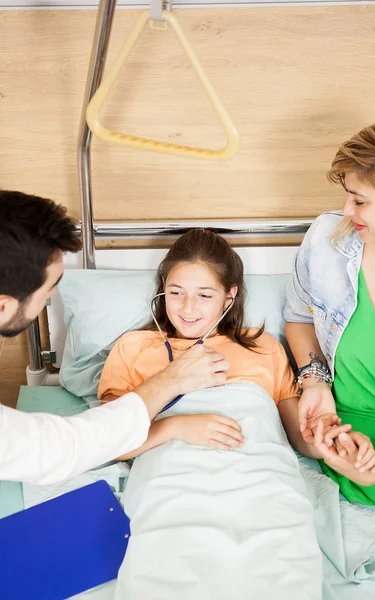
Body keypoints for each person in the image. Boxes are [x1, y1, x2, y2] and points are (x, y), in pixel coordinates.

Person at [0, 191, 230, 485]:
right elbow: (59, 448)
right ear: (4, 305)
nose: (53, 295)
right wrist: (171, 383)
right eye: (49, 287)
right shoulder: (133, 348)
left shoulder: (263, 350)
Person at [98, 228, 323, 458]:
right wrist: (176, 426)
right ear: (164, 287)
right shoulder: (133, 348)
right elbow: (106, 441)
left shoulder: (263, 348)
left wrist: (329, 442)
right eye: (176, 292)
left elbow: (304, 441)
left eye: (204, 295)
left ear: (229, 296)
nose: (187, 307)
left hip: (257, 469)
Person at [284, 115, 375, 516]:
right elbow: (299, 317)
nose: (345, 209)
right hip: (332, 442)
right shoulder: (328, 241)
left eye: (361, 200)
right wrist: (315, 382)